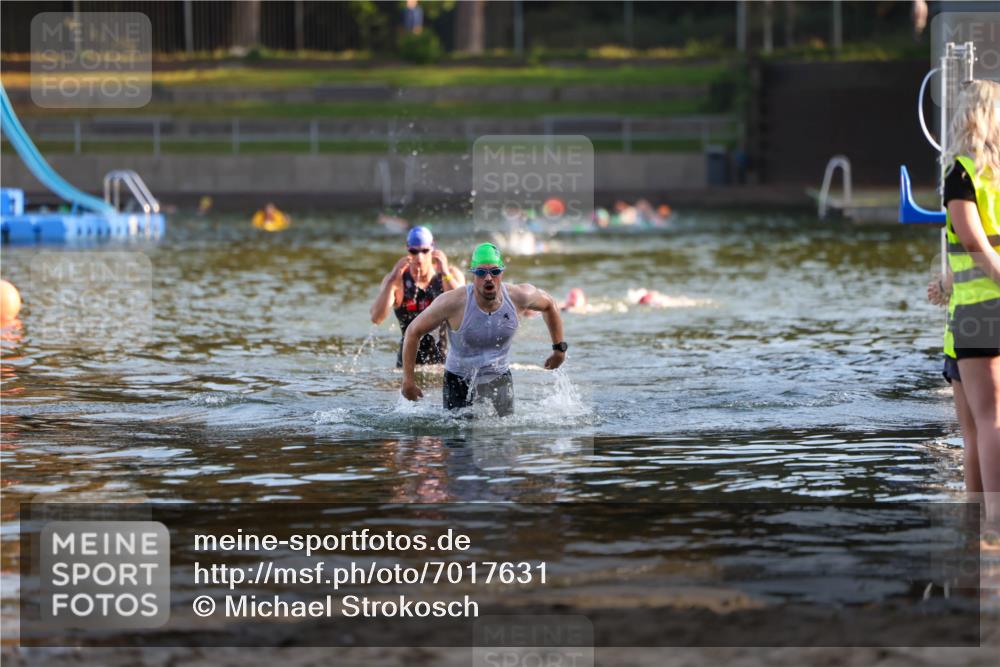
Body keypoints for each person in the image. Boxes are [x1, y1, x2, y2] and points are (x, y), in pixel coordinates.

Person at [400, 243, 567, 417]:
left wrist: (559, 349)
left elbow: (549, 305)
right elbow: (413, 331)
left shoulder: (519, 296)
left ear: (502, 272)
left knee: (504, 430)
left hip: (499, 376)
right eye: (481, 272)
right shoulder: (453, 302)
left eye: (494, 272)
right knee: (457, 431)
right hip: (458, 378)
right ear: (473, 275)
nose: (488, 278)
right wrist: (408, 381)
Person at [938, 80, 1000, 515]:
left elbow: (974, 241)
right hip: (973, 308)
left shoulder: (962, 173)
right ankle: (978, 520)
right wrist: (946, 281)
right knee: (979, 425)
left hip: (981, 309)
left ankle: (993, 520)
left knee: (988, 422)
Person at [371, 226, 464, 367]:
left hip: (441, 365)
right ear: (407, 249)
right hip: (406, 366)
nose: (419, 257)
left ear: (432, 248)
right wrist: (391, 281)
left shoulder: (449, 275)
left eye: (425, 251)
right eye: (414, 251)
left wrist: (445, 273)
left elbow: (465, 309)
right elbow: (376, 318)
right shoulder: (397, 280)